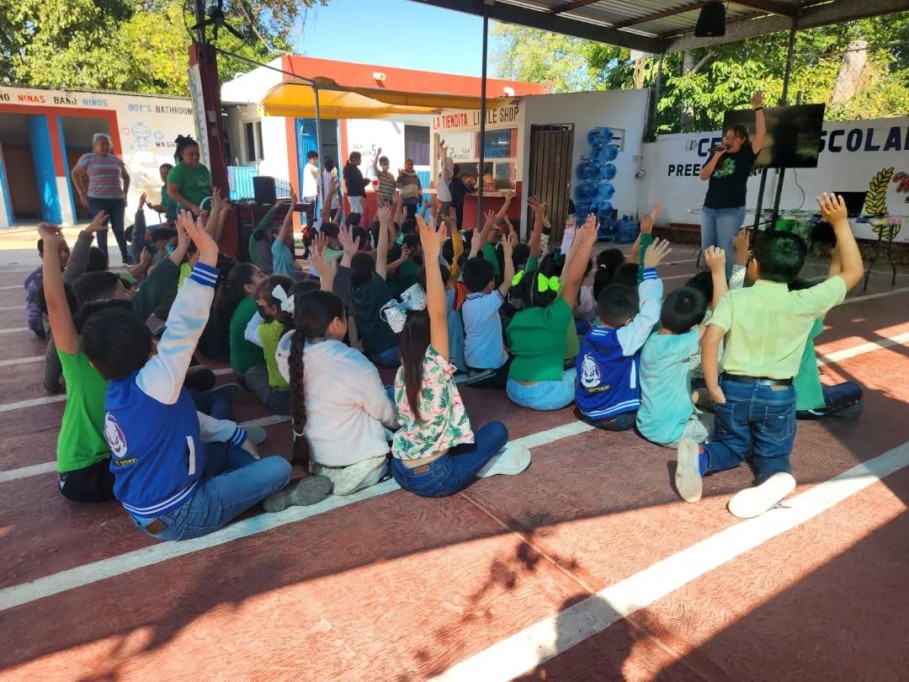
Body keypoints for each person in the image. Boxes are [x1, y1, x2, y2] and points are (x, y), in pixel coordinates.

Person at [80, 211, 331, 541]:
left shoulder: (120, 388)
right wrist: (208, 257)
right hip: (180, 513)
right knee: (277, 468)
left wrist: (233, 434)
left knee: (231, 446)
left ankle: (244, 481)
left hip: (156, 501)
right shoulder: (154, 384)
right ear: (150, 349)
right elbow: (184, 325)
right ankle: (275, 494)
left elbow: (188, 419)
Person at [676, 193, 864, 519]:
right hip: (777, 395)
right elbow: (853, 272)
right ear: (795, 270)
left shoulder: (737, 300)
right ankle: (772, 480)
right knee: (774, 454)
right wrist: (840, 223)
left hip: (732, 388)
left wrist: (713, 385)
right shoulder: (806, 301)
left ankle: (701, 459)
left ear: (755, 264)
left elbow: (710, 341)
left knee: (732, 445)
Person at [391, 214, 528, 497]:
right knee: (497, 432)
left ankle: (468, 460)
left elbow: (436, 316)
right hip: (435, 477)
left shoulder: (403, 370)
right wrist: (431, 256)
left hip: (400, 469)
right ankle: (479, 464)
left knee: (464, 436)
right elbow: (438, 315)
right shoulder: (436, 364)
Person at [279, 243, 399, 495]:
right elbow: (385, 415)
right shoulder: (354, 363)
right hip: (359, 459)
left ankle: (324, 476)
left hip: (318, 455)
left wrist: (326, 281)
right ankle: (344, 479)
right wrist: (403, 423)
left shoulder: (290, 354)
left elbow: (319, 321)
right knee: (392, 403)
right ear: (336, 323)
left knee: (381, 392)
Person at [35, 223, 114, 502]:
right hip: (82, 472)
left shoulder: (123, 357)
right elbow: (56, 302)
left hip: (115, 458)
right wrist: (51, 246)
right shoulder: (77, 358)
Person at [575, 211, 671, 431]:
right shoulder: (625, 338)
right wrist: (649, 271)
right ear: (629, 319)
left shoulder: (592, 333)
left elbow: (646, 311)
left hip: (586, 408)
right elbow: (649, 313)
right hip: (616, 417)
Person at [505, 210, 597, 411]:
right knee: (587, 371)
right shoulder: (556, 315)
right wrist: (587, 242)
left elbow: (534, 254)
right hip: (545, 393)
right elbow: (572, 278)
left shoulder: (515, 320)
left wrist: (539, 219)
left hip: (512, 388)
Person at [637, 247, 726, 448]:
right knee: (726, 424)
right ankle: (704, 456)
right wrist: (718, 270)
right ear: (693, 325)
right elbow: (718, 316)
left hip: (647, 424)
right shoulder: (682, 344)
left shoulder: (652, 339)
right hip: (673, 432)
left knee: (703, 394)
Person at [699, 92, 766, 276]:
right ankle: (709, 283)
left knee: (725, 251)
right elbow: (703, 176)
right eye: (727, 137)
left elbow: (761, 134)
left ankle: (730, 286)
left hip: (730, 209)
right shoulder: (717, 153)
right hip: (709, 208)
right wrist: (717, 156)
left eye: (734, 138)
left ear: (743, 140)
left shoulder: (746, 155)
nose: (729, 141)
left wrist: (758, 108)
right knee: (708, 249)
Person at [460, 220, 517, 389]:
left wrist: (475, 248)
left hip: (472, 362)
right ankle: (486, 377)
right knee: (519, 369)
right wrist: (507, 254)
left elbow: (464, 274)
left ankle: (478, 376)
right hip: (491, 366)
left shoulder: (464, 300)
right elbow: (509, 280)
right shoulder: (489, 302)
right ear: (490, 284)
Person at [71, 133, 132, 264]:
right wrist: (81, 193)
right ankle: (103, 260)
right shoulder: (88, 158)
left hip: (117, 201)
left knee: (119, 229)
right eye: (102, 144)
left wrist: (125, 194)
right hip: (97, 200)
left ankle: (126, 256)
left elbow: (126, 177)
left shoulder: (116, 160)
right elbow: (75, 174)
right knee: (101, 229)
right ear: (94, 146)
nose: (105, 146)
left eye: (107, 144)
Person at [244, 276, 294, 416]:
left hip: (283, 399)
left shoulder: (267, 332)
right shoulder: (306, 325)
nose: (259, 304)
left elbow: (248, 332)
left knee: (252, 373)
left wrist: (260, 314)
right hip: (309, 395)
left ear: (273, 309)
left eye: (261, 303)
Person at [25, 237, 70, 339]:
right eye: (58, 251)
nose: (64, 255)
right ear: (42, 255)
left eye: (66, 250)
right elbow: (33, 315)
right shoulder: (39, 279)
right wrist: (45, 331)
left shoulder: (63, 272)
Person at [167, 135, 213, 218]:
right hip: (188, 213)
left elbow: (210, 188)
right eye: (191, 155)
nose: (195, 157)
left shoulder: (203, 168)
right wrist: (192, 206)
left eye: (197, 154)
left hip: (206, 210)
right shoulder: (178, 171)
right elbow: (172, 192)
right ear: (182, 154)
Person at [343, 152, 369, 221]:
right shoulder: (353, 170)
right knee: (358, 216)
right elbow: (357, 183)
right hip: (356, 196)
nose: (361, 160)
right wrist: (365, 181)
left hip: (352, 196)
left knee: (355, 214)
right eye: (359, 159)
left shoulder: (349, 169)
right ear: (354, 159)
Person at [448, 164, 475, 230]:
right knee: (458, 224)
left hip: (450, 206)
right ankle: (457, 238)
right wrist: (472, 186)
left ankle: (452, 238)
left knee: (451, 224)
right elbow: (470, 190)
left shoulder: (450, 182)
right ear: (458, 172)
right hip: (458, 206)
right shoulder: (460, 182)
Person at [436, 140, 454, 225]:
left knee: (442, 221)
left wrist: (443, 151)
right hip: (444, 199)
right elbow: (443, 162)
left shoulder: (446, 174)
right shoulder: (445, 174)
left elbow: (444, 164)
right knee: (441, 219)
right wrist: (441, 148)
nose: (442, 163)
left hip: (445, 200)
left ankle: (443, 235)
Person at [320, 156, 341, 222]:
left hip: (324, 204)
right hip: (334, 204)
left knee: (324, 225)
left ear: (324, 166)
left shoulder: (319, 176)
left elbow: (317, 190)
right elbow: (337, 191)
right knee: (335, 224)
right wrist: (340, 202)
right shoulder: (334, 177)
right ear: (332, 166)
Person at [302, 150, 319, 230]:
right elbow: (319, 173)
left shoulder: (306, 167)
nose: (316, 161)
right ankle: (311, 231)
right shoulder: (311, 168)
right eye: (315, 159)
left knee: (309, 215)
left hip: (306, 195)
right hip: (312, 194)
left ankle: (308, 231)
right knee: (312, 215)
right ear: (312, 159)